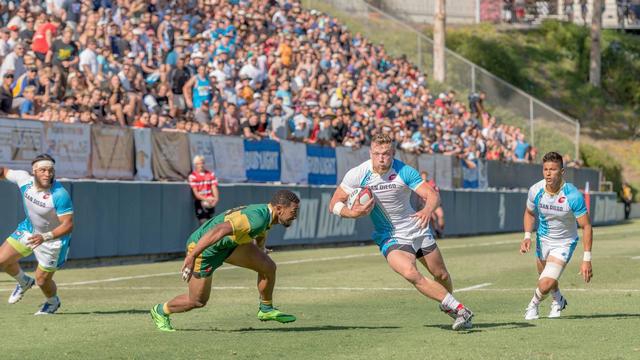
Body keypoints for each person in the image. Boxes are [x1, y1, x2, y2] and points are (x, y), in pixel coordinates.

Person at [328, 134, 474, 330]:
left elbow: (432, 195)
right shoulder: (357, 174)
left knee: (442, 275)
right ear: (371, 153)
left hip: (417, 229)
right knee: (410, 272)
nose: (381, 158)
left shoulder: (404, 171)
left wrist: (427, 209)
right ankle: (460, 309)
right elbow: (334, 204)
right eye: (377, 153)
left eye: (386, 154)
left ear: (393, 153)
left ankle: (449, 306)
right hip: (389, 236)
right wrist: (352, 213)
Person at [150, 190, 300, 332]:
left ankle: (266, 309)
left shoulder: (267, 216)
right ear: (279, 208)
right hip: (205, 250)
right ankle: (161, 310)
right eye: (293, 212)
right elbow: (219, 230)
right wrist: (192, 256)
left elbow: (260, 232)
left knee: (268, 266)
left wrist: (261, 250)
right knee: (197, 301)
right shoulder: (258, 218)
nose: (295, 216)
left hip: (230, 245)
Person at [520, 151, 593, 320]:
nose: (548, 173)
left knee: (544, 283)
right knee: (547, 278)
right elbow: (529, 213)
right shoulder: (535, 190)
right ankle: (558, 300)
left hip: (564, 242)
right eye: (545, 169)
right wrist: (526, 236)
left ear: (562, 172)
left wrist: (586, 258)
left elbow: (586, 226)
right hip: (542, 239)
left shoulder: (573, 195)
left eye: (552, 169)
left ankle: (533, 305)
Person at [0, 154, 74, 315]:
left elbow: (68, 225)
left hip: (53, 240)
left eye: (50, 170)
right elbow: (3, 172)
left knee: (42, 280)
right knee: (1, 260)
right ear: (34, 171)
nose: (47, 174)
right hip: (30, 230)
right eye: (42, 170)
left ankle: (52, 302)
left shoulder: (60, 195)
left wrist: (45, 236)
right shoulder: (23, 180)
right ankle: (24, 281)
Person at [188, 155, 220, 224]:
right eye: (199, 163)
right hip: (200, 202)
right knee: (203, 223)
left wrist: (216, 199)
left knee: (211, 223)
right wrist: (206, 199)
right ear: (195, 165)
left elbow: (214, 187)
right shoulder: (193, 176)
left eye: (202, 163)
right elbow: (196, 194)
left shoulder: (210, 174)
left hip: (210, 201)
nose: (201, 165)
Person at [420, 171, 445, 238]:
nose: (424, 177)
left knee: (440, 215)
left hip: (435, 203)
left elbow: (436, 191)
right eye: (422, 176)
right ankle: (437, 232)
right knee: (433, 219)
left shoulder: (431, 183)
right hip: (427, 204)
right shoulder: (419, 185)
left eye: (425, 176)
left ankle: (441, 230)